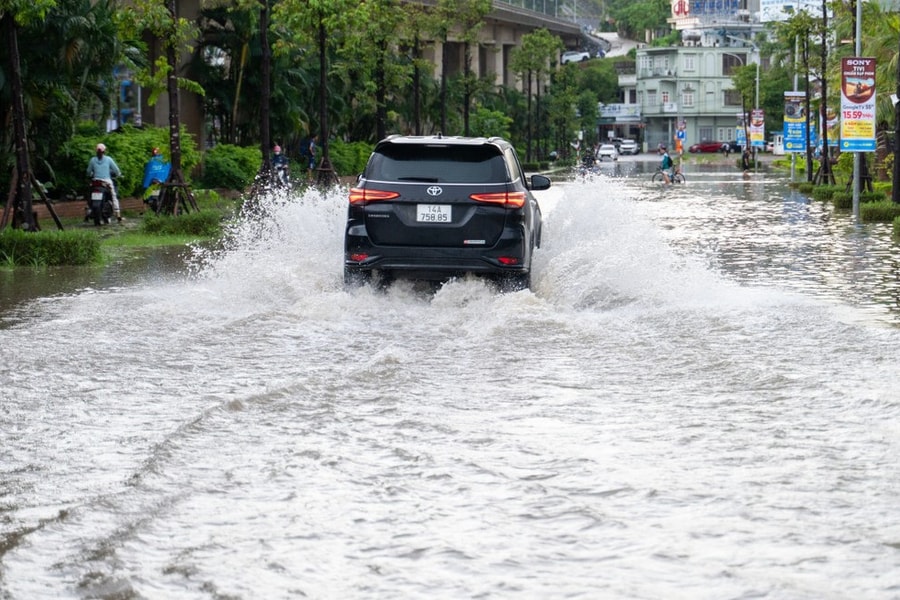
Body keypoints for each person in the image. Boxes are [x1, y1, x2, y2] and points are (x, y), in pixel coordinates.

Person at [86, 143, 123, 222]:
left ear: (96, 151)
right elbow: (116, 170)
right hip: (106, 181)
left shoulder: (92, 160)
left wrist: (91, 174)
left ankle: (88, 210)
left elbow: (88, 172)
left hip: (95, 181)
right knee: (113, 196)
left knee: (89, 194)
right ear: (104, 151)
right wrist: (119, 174)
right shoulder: (108, 159)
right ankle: (118, 214)